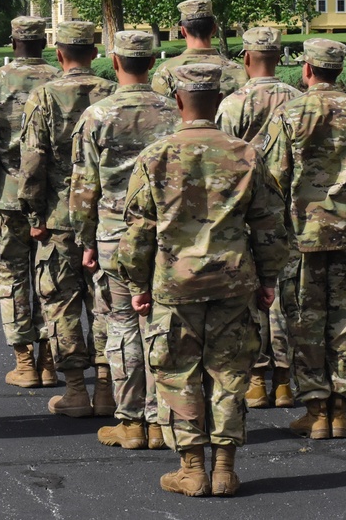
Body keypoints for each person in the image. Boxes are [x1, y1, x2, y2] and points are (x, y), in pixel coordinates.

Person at [117, 64, 289, 497]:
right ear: (218, 103)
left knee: (178, 372)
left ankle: (192, 469)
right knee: (230, 372)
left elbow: (138, 230)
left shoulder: (155, 156)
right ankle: (225, 470)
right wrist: (269, 277)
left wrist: (136, 284)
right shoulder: (247, 154)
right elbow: (269, 222)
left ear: (178, 102)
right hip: (234, 282)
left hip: (175, 287)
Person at [258, 38, 346, 440]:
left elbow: (272, 184)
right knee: (345, 322)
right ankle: (340, 411)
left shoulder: (289, 114)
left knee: (304, 322)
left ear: (307, 69)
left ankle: (316, 411)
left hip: (299, 241)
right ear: (339, 71)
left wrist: (268, 242)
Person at [69, 31, 179, 449]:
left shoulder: (97, 116)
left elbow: (84, 188)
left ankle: (132, 421)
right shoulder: (175, 112)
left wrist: (86, 241)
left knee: (122, 326)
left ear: (115, 62)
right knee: (161, 325)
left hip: (116, 237)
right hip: (166, 236)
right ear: (151, 63)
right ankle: (161, 420)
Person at [18, 21, 117, 417]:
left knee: (62, 304)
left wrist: (33, 213)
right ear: (94, 53)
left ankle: (76, 390)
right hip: (107, 218)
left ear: (59, 54)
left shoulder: (42, 97)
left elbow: (32, 163)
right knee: (106, 303)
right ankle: (108, 387)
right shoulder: (111, 94)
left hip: (59, 218)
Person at [215, 27, 303, 409]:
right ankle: (284, 381)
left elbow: (221, 165)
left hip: (246, 214)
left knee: (252, 299)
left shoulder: (232, 105)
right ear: (280, 58)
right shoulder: (298, 100)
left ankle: (255, 379)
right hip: (290, 212)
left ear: (246, 59)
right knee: (285, 297)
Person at [0, 16, 61, 389]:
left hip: (8, 197)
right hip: (55, 199)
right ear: (45, 41)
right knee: (52, 280)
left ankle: (23, 362)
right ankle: (48, 361)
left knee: (11, 278)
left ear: (13, 41)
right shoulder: (60, 79)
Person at [150, 0, 247, 100]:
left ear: (183, 31)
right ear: (214, 29)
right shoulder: (239, 71)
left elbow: (159, 109)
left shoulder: (166, 71)